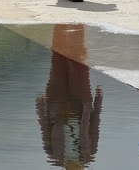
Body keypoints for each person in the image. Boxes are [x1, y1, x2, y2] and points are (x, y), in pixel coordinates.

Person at [35, 24, 103, 169]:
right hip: (81, 104)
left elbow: (45, 127)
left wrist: (39, 107)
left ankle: (60, 26)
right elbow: (95, 124)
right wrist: (98, 101)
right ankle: (76, 27)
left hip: (56, 105)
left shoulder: (53, 156)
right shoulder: (89, 154)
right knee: (78, 65)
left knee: (58, 61)